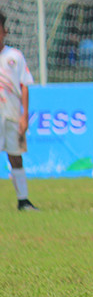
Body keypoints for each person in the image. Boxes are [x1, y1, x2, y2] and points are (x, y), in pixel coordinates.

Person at [0, 11, 38, 211]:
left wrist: (24, 115)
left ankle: (23, 200)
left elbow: (24, 86)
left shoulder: (14, 56)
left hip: (12, 115)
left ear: (4, 32)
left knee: (15, 156)